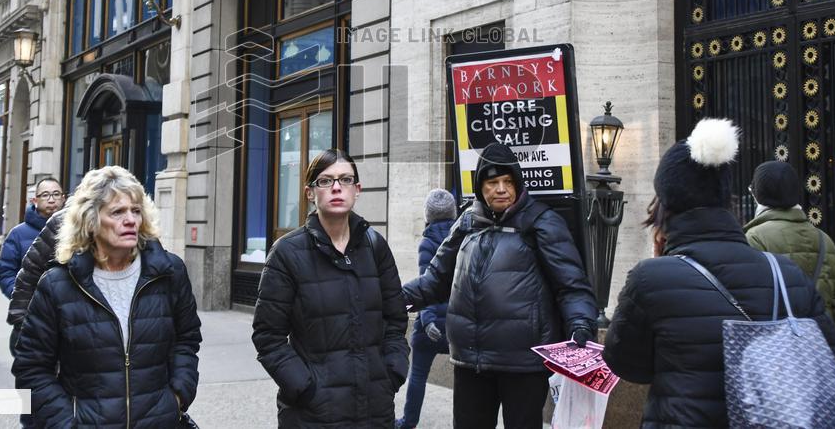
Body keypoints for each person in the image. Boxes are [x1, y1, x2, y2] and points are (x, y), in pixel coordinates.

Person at [604, 118, 835, 427]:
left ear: (665, 205)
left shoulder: (649, 279)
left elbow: (626, 364)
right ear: (728, 199)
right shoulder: (786, 274)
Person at [402, 142, 597, 429]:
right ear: (480, 186)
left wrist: (581, 323)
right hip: (471, 362)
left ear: (518, 184)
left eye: (508, 181)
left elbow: (572, 286)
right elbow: (434, 281)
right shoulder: (466, 222)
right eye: (492, 182)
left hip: (524, 365)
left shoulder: (543, 222)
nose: (501, 189)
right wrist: (390, 298)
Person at [12, 165, 201, 427]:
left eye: (135, 210)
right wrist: (68, 422)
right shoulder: (58, 284)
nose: (130, 220)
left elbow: (187, 340)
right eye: (117, 212)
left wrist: (178, 395)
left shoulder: (169, 273)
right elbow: (32, 368)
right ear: (91, 220)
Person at [252, 148, 409, 428]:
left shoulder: (375, 246)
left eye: (345, 180)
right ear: (310, 193)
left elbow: (395, 320)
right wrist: (305, 388)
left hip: (374, 409)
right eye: (325, 181)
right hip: (313, 414)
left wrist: (392, 373)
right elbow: (268, 336)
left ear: (357, 189)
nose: (337, 187)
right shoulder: (287, 253)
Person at [744, 160, 835, 329]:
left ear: (758, 195)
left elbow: (752, 304)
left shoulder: (754, 238)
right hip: (821, 345)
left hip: (778, 348)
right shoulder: (823, 239)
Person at [395, 189, 457, 429]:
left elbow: (427, 283)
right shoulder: (462, 237)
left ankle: (408, 422)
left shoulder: (428, 242)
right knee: (465, 379)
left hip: (430, 324)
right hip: (455, 323)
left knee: (418, 375)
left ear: (428, 216)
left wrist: (428, 319)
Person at [0, 177, 64, 356]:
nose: (51, 199)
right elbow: (5, 272)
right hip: (30, 318)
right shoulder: (18, 234)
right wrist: (22, 296)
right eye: (46, 195)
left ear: (63, 198)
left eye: (56, 194)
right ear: (35, 201)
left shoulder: (77, 230)